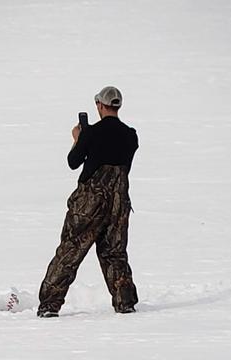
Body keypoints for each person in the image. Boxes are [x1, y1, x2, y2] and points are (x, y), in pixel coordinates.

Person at [37, 86, 139, 318]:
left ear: (100, 106)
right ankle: (125, 302)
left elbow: (74, 162)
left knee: (70, 250)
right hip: (119, 201)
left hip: (89, 202)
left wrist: (78, 138)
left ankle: (49, 306)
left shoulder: (91, 133)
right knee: (115, 252)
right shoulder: (131, 135)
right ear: (118, 106)